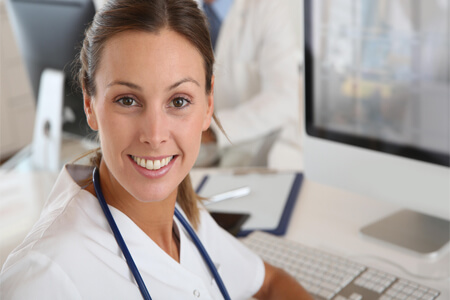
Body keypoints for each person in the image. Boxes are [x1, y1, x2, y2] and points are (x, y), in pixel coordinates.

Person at [0, 0, 312, 299]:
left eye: (178, 101)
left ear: (209, 104)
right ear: (89, 104)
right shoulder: (44, 278)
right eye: (127, 100)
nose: (155, 134)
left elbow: (270, 282)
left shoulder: (189, 217)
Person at [196, 0, 303, 169]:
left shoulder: (268, 8)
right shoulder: (169, 8)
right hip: (193, 150)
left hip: (255, 152)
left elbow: (284, 98)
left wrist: (212, 130)